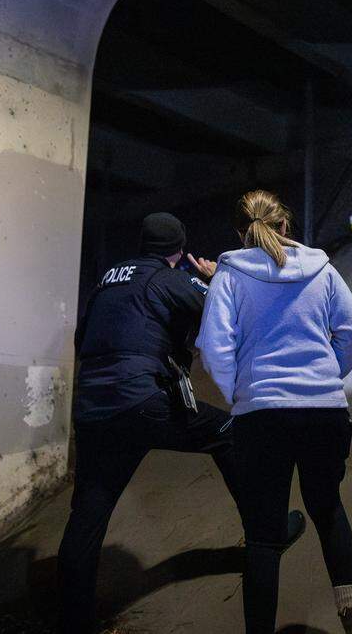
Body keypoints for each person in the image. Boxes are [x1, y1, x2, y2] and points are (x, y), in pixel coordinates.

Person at [57, 212, 306, 634]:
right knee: (229, 434)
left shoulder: (106, 282)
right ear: (179, 251)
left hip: (93, 407)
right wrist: (213, 278)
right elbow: (226, 311)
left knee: (90, 507)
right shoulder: (169, 278)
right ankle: (269, 531)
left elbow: (84, 340)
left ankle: (72, 620)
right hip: (141, 399)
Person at [197, 191, 352, 634]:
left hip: (262, 416)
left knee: (264, 534)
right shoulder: (322, 269)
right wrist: (327, 377)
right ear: (285, 225)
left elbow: (215, 347)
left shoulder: (229, 275)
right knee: (327, 507)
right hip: (324, 412)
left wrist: (240, 394)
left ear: (241, 234)